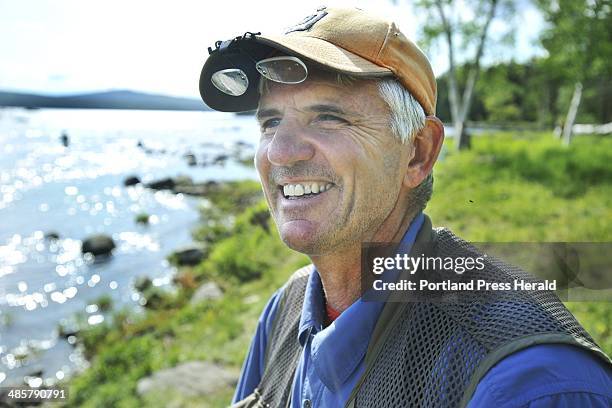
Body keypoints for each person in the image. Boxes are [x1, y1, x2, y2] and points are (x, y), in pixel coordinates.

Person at [198, 7, 612, 407]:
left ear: (417, 153)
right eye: (270, 123)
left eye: (328, 117)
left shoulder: (529, 383)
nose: (281, 153)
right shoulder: (283, 312)